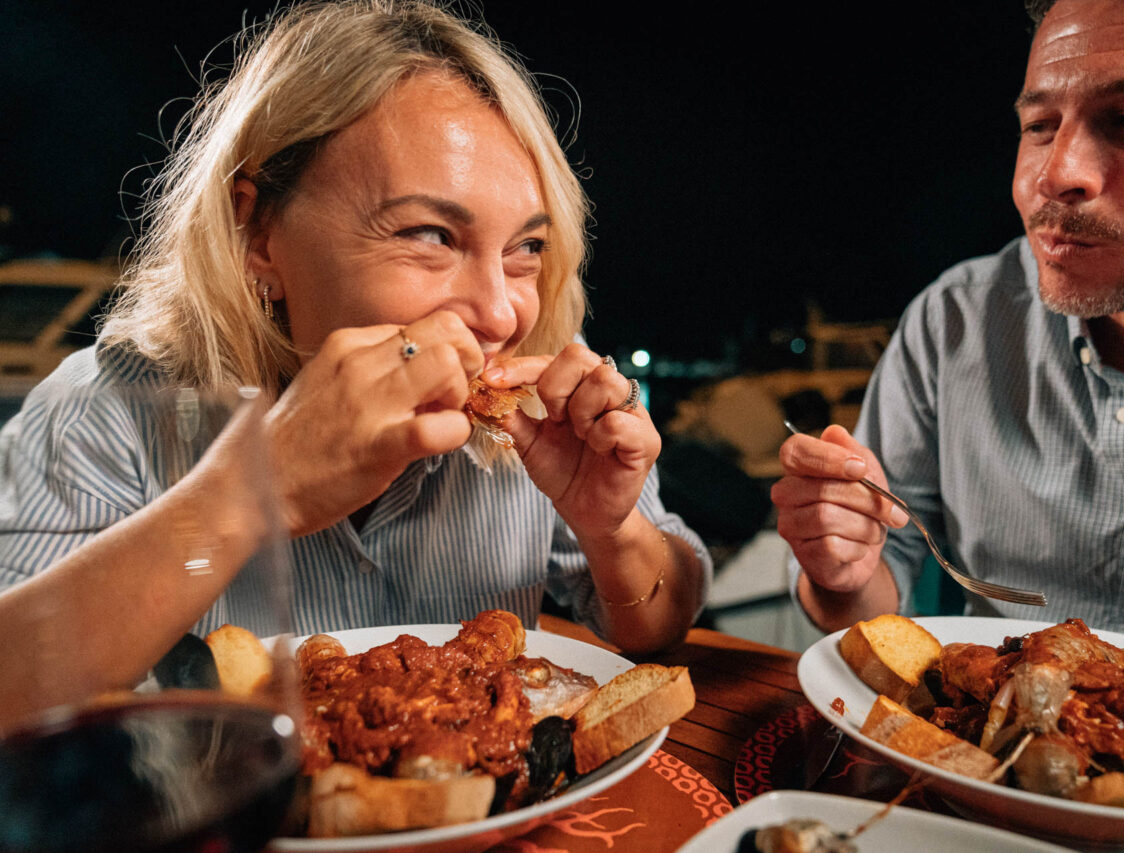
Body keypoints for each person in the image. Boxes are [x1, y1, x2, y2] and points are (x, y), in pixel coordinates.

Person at [0, 0, 711, 720]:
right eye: (431, 234)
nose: (502, 315)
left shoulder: (538, 419)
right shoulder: (103, 410)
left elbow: (658, 619)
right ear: (256, 232)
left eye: (526, 248)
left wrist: (612, 528)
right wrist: (253, 492)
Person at [773, 0, 1124, 675]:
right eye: (1040, 124)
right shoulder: (955, 323)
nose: (1051, 174)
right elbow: (868, 599)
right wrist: (839, 567)